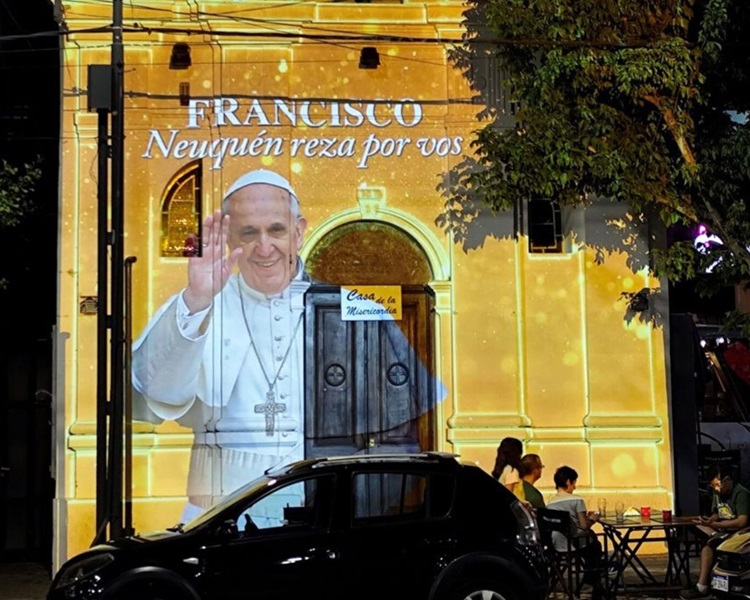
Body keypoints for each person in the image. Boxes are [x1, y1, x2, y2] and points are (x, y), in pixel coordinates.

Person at [133, 169, 312, 523]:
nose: (264, 247)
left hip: (316, 515)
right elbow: (154, 395)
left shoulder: (341, 308)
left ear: (298, 232)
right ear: (229, 238)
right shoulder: (198, 303)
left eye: (276, 229)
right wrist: (197, 300)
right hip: (215, 516)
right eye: (248, 233)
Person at [680, 467, 750, 600]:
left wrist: (715, 525)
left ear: (727, 480)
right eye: (713, 486)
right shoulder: (718, 494)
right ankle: (706, 585)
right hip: (722, 531)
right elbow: (717, 513)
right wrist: (710, 520)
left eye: (718, 485)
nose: (717, 489)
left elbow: (742, 522)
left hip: (740, 534)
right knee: (706, 542)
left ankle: (703, 586)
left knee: (709, 548)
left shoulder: (741, 493)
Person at [547, 465, 605, 599]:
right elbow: (584, 526)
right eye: (574, 483)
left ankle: (593, 578)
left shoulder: (550, 503)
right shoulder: (577, 500)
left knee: (592, 544)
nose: (575, 487)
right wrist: (593, 519)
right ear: (568, 482)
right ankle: (591, 581)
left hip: (558, 544)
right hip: (575, 543)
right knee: (596, 545)